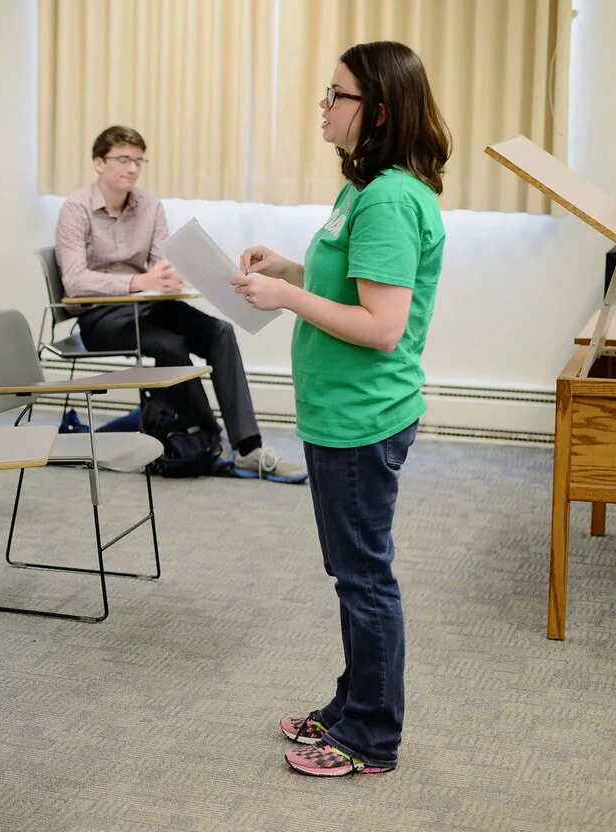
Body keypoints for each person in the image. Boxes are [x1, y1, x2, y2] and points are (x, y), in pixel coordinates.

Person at [233, 41, 450, 776]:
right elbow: (351, 284)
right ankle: (350, 706)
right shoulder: (366, 187)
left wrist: (288, 297)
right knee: (351, 569)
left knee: (364, 576)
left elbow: (382, 328)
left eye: (338, 96)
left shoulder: (389, 197)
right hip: (340, 412)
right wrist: (290, 269)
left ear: (379, 111)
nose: (324, 106)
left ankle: (371, 737)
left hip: (363, 416)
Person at [55, 125, 306, 482]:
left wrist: (170, 275)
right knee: (169, 345)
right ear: (98, 163)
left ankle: (249, 448)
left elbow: (160, 262)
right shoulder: (75, 209)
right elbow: (75, 282)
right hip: (100, 316)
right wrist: (139, 281)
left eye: (139, 160)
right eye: (123, 159)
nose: (132, 168)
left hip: (146, 307)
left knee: (219, 331)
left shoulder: (150, 205)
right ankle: (212, 440)